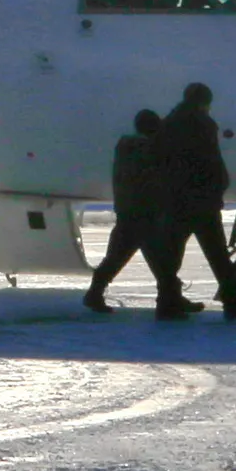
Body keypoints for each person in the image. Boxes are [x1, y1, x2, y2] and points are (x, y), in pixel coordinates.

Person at [157, 82, 236, 319]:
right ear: (204, 102)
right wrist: (219, 186)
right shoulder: (203, 124)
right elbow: (211, 161)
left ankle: (167, 305)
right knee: (218, 256)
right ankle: (233, 304)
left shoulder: (169, 123)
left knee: (170, 257)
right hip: (202, 200)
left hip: (176, 199)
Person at [84, 109, 178, 316]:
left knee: (120, 257)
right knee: (161, 261)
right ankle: (172, 301)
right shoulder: (146, 151)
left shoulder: (128, 148)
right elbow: (155, 179)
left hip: (130, 211)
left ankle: (95, 293)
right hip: (143, 212)